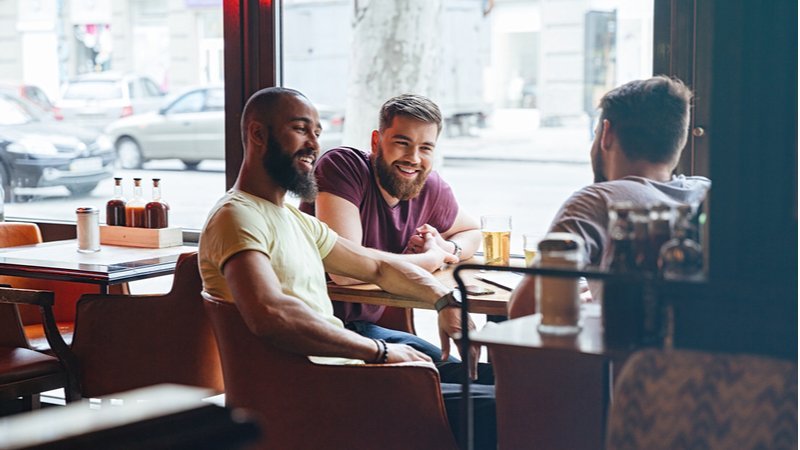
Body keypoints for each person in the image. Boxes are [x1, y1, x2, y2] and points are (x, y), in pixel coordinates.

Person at [198, 87, 495, 448]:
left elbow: (377, 267)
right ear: (258, 134)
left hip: (339, 377)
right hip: (318, 393)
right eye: (300, 129)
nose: (313, 144)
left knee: (493, 387)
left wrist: (446, 301)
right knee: (501, 408)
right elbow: (272, 314)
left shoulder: (293, 219)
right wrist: (379, 351)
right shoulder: (236, 216)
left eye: (317, 133)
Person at [509, 76, 711, 318]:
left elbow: (524, 309)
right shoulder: (707, 192)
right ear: (679, 141)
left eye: (595, 133)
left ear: (606, 134)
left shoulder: (597, 201)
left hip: (626, 354)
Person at [299, 94, 481, 363]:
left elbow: (473, 232)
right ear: (376, 141)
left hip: (368, 331)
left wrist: (447, 247)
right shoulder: (343, 167)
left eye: (426, 148)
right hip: (324, 333)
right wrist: (429, 260)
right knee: (468, 385)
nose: (414, 158)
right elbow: (344, 273)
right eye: (402, 143)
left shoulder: (429, 186)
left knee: (482, 379)